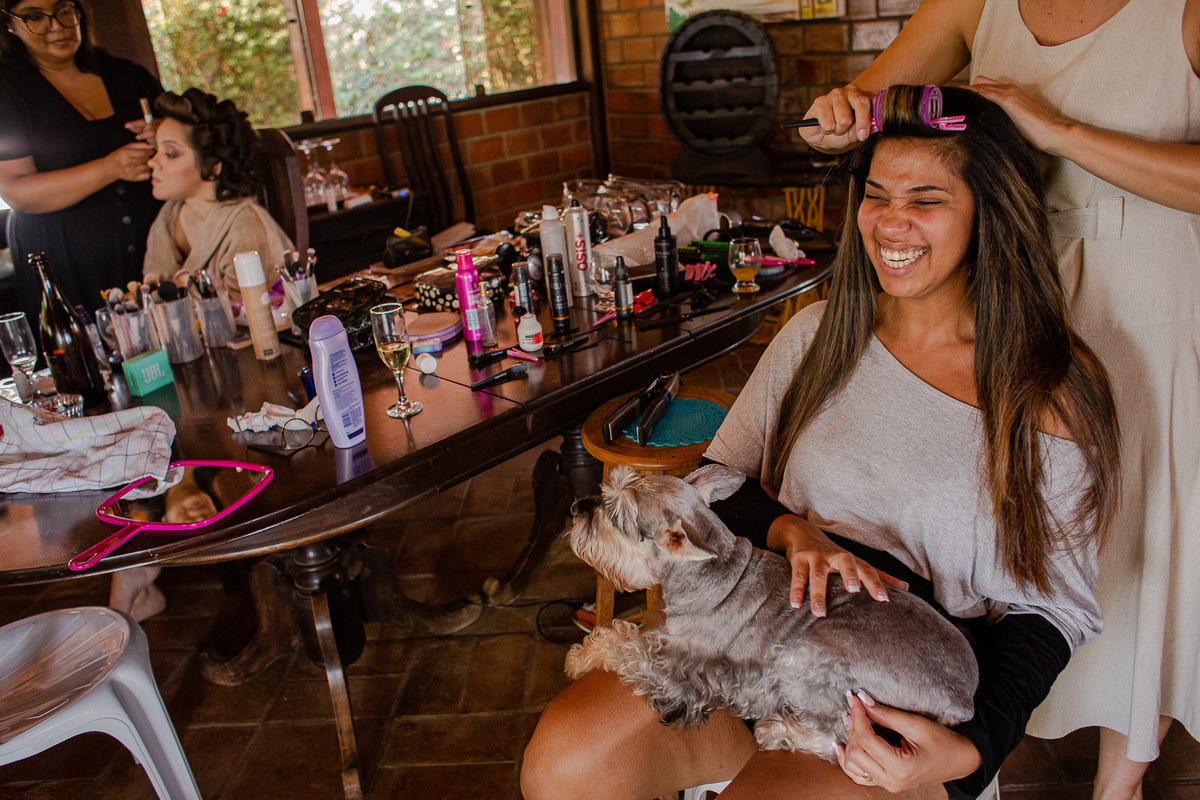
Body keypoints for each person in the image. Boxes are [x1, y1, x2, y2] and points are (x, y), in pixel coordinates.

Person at [522, 85, 1121, 800]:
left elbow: (1054, 611)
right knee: (563, 760)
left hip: (876, 695)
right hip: (747, 645)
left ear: (989, 214)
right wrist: (791, 530)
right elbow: (717, 482)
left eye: (926, 198)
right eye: (876, 195)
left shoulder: (1047, 385)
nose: (892, 224)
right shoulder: (816, 336)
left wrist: (968, 756)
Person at [799, 3, 1200, 797]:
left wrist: (1062, 134)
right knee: (1002, 524)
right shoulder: (973, 2)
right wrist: (830, 119)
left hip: (1149, 299)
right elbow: (855, 110)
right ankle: (982, 739)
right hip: (1010, 280)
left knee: (1138, 540)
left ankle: (1122, 781)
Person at [0, 0, 161, 322]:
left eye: (63, 9)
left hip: (154, 250)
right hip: (66, 262)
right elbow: (17, 192)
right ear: (9, 23)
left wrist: (166, 134)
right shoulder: (7, 89)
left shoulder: (126, 75)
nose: (56, 25)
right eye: (34, 17)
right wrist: (111, 167)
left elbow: (188, 146)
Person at [143, 88, 293, 295]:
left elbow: (249, 317)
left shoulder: (246, 227)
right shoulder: (168, 217)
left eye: (170, 154)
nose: (152, 162)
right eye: (155, 151)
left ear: (214, 166)